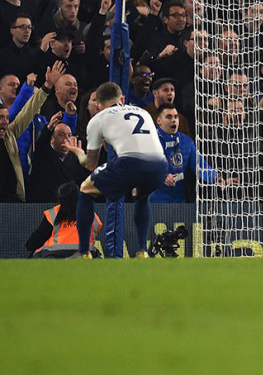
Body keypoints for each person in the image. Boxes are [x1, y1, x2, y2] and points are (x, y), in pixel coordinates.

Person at [68, 81, 168, 259]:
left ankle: (83, 252)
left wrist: (77, 152)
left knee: (86, 189)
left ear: (98, 105)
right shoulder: (143, 111)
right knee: (141, 193)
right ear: (122, 99)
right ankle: (142, 250)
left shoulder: (97, 119)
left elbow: (91, 164)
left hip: (131, 163)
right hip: (159, 165)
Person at [25, 182, 103, 258]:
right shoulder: (91, 213)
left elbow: (38, 239)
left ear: (59, 197)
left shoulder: (53, 213)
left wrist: (29, 245)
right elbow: (94, 233)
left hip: (55, 255)